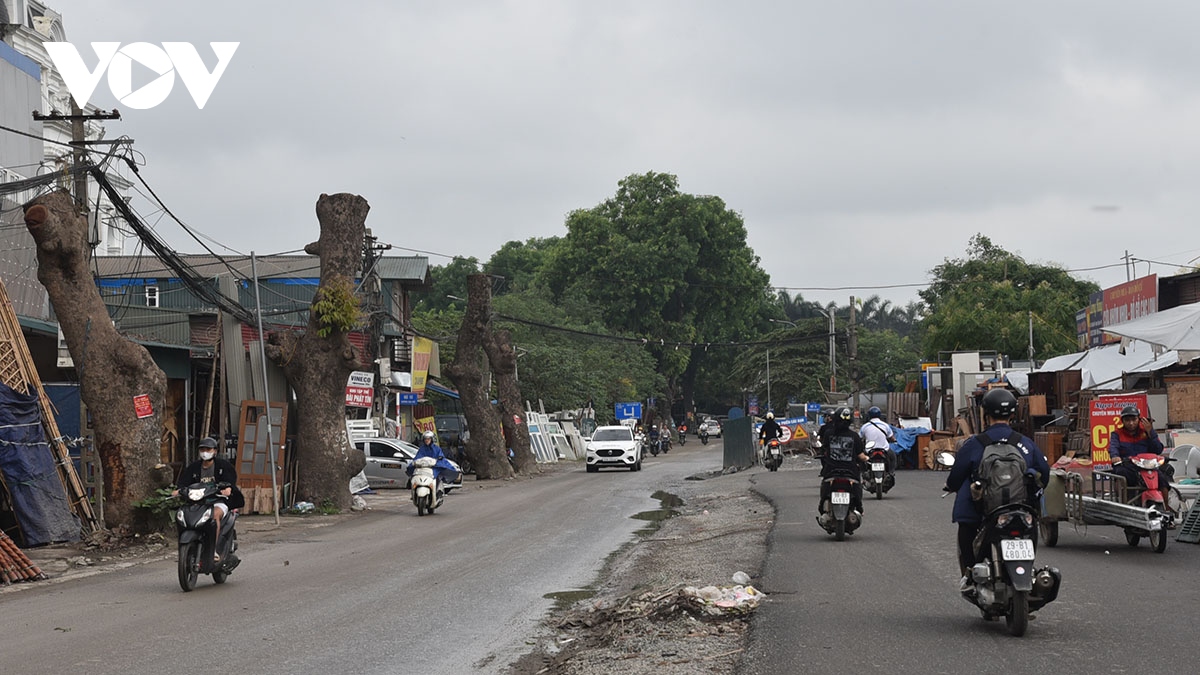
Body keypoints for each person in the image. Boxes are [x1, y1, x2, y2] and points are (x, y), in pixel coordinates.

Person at [944, 388, 1049, 593]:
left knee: (966, 529)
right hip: (1019, 507)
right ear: (1012, 414)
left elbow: (956, 477)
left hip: (983, 508)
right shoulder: (1024, 443)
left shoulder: (975, 444)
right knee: (1030, 526)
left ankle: (970, 576)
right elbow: (1044, 473)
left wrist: (952, 486)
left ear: (985, 414)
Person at [173, 437, 243, 562]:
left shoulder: (223, 466)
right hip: (198, 502)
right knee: (183, 515)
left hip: (219, 501)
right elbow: (183, 483)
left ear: (215, 451)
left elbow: (230, 481)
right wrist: (179, 490)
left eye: (208, 449)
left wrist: (228, 489)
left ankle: (214, 549)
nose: (205, 452)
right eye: (203, 449)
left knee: (214, 515)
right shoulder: (193, 467)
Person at [1109, 404, 1172, 498]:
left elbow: (1158, 449)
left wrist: (1150, 433)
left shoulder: (1147, 431)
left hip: (1146, 466)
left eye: (1133, 420)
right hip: (1127, 466)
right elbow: (1113, 447)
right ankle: (1124, 503)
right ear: (1122, 421)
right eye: (1127, 420)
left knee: (1162, 480)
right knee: (1121, 475)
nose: (1131, 423)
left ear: (1139, 419)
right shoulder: (1117, 434)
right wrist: (1115, 456)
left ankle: (1167, 507)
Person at [816, 407, 869, 514]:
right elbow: (861, 456)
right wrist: (867, 459)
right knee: (857, 486)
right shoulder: (854, 436)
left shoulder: (828, 434)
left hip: (831, 471)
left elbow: (824, 449)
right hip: (851, 472)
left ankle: (821, 505)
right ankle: (859, 507)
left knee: (825, 485)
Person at [859, 406, 898, 476]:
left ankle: (863, 472)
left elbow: (859, 438)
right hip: (884, 450)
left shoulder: (865, 426)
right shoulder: (885, 426)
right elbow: (892, 438)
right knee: (893, 457)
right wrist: (895, 441)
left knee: (861, 459)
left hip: (869, 450)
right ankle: (891, 472)